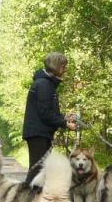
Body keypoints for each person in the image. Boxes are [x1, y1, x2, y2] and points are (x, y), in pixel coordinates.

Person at [22, 52, 76, 184]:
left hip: (41, 133)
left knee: (42, 170)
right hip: (38, 133)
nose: (65, 68)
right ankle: (23, 198)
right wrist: (65, 124)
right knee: (37, 170)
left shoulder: (46, 83)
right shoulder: (43, 84)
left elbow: (46, 110)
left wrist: (63, 117)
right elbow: (44, 113)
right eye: (63, 66)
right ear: (56, 66)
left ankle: (34, 199)